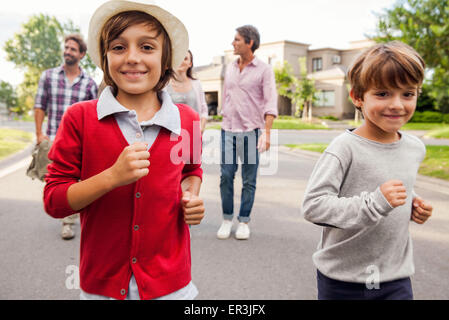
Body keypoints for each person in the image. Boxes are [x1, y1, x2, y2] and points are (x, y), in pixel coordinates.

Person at [43, 0, 205, 300]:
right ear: (104, 58)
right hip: (101, 286)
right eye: (118, 47)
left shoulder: (189, 121)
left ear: (166, 58)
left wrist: (190, 195)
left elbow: (191, 170)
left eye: (146, 47)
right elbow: (54, 201)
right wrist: (111, 177)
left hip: (172, 287)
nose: (132, 57)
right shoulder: (79, 118)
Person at [301, 41, 433, 300]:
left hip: (395, 276)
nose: (397, 104)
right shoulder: (344, 149)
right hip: (343, 279)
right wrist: (375, 203)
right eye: (383, 94)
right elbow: (314, 206)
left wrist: (413, 203)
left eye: (407, 94)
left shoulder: (415, 148)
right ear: (357, 97)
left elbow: (393, 184)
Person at [33, 33, 98, 240]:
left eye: (73, 49)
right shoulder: (48, 76)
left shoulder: (89, 83)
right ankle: (67, 211)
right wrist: (39, 134)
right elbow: (39, 105)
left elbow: (95, 116)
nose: (68, 51)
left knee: (73, 179)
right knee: (54, 180)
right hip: (52, 137)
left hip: (78, 141)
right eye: (67, 47)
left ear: (82, 54)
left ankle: (68, 222)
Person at [216, 25, 278, 240]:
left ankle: (243, 221)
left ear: (250, 42)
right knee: (225, 176)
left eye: (237, 39)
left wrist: (267, 133)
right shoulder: (231, 67)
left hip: (251, 132)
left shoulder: (264, 70)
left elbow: (270, 102)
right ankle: (226, 219)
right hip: (228, 129)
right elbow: (227, 95)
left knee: (248, 180)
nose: (233, 43)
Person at [166, 50, 208, 134]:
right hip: (172, 132)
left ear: (190, 63)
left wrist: (201, 128)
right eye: (179, 58)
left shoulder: (196, 84)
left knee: (195, 148)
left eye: (185, 58)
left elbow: (204, 108)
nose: (181, 61)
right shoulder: (165, 85)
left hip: (194, 131)